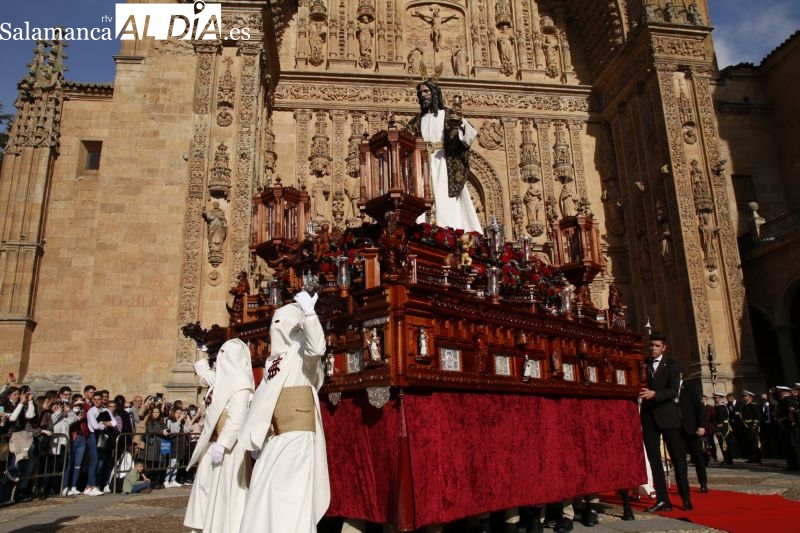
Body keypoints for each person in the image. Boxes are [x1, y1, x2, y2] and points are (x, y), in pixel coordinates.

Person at [239, 290, 330, 532]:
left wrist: (310, 315)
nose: (275, 328)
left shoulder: (302, 352)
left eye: (281, 323)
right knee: (262, 493)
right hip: (275, 438)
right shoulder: (273, 361)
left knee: (289, 496)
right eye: (273, 323)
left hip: (298, 437)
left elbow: (317, 349)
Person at [184, 338, 255, 533]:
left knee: (225, 489)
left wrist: (223, 444)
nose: (219, 359)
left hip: (229, 447)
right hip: (213, 442)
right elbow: (204, 374)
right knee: (205, 484)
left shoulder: (241, 382)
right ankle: (204, 524)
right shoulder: (221, 379)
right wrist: (201, 349)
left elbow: (237, 417)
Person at [406, 79, 482, 233]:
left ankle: (448, 231)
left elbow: (469, 134)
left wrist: (458, 126)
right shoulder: (415, 121)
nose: (423, 95)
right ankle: (423, 230)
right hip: (422, 164)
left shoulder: (448, 114)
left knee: (444, 197)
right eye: (421, 92)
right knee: (422, 197)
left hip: (444, 162)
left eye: (427, 91)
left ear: (435, 93)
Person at [638, 332, 692, 512]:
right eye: (651, 345)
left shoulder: (672, 365)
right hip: (648, 417)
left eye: (656, 345)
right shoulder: (643, 364)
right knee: (655, 461)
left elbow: (673, 391)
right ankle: (662, 499)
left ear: (664, 347)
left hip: (669, 417)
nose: (652, 348)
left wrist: (655, 394)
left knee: (677, 459)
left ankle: (685, 497)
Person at [678, 376, 708, 493]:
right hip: (677, 429)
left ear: (681, 375)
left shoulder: (690, 387)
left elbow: (699, 407)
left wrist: (701, 425)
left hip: (692, 428)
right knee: (680, 460)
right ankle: (683, 486)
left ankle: (703, 482)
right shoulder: (670, 388)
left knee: (697, 457)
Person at [740, 390, 763, 463]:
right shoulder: (744, 407)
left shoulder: (754, 406)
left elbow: (759, 416)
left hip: (752, 426)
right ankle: (751, 457)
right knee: (748, 442)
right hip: (745, 426)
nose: (743, 397)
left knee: (755, 442)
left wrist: (755, 424)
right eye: (743, 396)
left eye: (745, 396)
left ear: (750, 397)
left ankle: (757, 458)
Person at [713, 392, 733, 465]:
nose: (715, 399)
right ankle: (727, 459)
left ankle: (728, 460)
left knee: (724, 444)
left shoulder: (721, 407)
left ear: (720, 398)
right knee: (723, 444)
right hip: (722, 427)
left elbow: (720, 419)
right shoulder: (718, 406)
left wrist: (717, 429)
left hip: (723, 427)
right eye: (714, 398)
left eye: (716, 398)